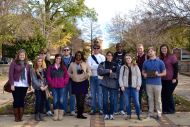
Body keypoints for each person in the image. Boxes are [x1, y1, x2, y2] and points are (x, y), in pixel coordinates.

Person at [142, 47, 166, 120]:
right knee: (150, 99)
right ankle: (151, 113)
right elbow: (143, 71)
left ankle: (159, 114)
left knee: (158, 99)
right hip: (148, 83)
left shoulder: (160, 62)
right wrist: (144, 75)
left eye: (151, 51)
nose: (150, 53)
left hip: (157, 84)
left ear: (155, 52)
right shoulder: (146, 62)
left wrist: (158, 74)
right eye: (149, 52)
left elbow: (164, 73)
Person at [9, 49, 31, 122]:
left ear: (25, 56)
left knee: (21, 100)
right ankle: (16, 117)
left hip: (24, 85)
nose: (22, 56)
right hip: (16, 84)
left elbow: (28, 75)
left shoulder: (27, 64)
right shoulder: (14, 63)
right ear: (18, 55)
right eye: (20, 55)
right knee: (16, 100)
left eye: (23, 55)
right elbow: (10, 74)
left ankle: (20, 116)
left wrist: (29, 85)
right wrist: (12, 84)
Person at [68, 51, 91, 119]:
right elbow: (68, 73)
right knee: (78, 99)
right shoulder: (72, 64)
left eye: (80, 55)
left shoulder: (85, 63)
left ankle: (80, 113)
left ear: (81, 56)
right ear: (75, 56)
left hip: (83, 82)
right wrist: (73, 76)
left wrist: (87, 75)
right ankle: (79, 114)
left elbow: (89, 71)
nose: (78, 56)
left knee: (82, 99)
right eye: (77, 55)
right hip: (75, 83)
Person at [47, 54, 69, 121]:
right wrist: (51, 83)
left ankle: (60, 114)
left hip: (62, 86)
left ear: (61, 60)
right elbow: (48, 76)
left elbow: (67, 76)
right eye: (57, 58)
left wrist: (64, 82)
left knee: (61, 100)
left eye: (59, 58)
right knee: (55, 100)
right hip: (54, 87)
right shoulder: (51, 67)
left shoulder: (63, 67)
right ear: (55, 59)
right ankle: (56, 115)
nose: (58, 60)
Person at [119, 54, 142, 120]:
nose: (128, 59)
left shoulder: (135, 66)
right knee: (127, 102)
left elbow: (139, 77)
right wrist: (122, 86)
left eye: (129, 58)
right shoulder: (123, 67)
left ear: (131, 59)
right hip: (126, 88)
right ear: (125, 60)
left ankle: (138, 115)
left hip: (134, 87)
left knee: (136, 102)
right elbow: (120, 77)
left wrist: (138, 85)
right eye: (126, 58)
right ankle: (129, 115)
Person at [98, 51, 119, 120]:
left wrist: (110, 74)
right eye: (108, 55)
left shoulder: (116, 65)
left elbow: (117, 75)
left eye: (111, 55)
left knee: (112, 100)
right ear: (106, 56)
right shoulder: (102, 63)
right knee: (105, 100)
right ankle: (106, 114)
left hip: (113, 85)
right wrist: (108, 71)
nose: (109, 56)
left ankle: (111, 114)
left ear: (112, 57)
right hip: (104, 84)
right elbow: (100, 71)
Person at [159, 44, 178, 114]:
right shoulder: (160, 58)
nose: (163, 50)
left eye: (165, 48)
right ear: (160, 50)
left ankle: (171, 110)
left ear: (167, 49)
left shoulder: (172, 56)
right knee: (163, 94)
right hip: (163, 79)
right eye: (162, 49)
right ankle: (165, 109)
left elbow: (176, 68)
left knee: (169, 94)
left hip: (171, 79)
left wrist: (174, 78)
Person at [87, 43, 105, 115]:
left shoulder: (102, 57)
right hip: (92, 77)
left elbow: (102, 67)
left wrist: (94, 66)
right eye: (94, 48)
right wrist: (98, 66)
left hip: (100, 77)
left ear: (99, 49)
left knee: (100, 93)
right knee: (93, 94)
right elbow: (89, 67)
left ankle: (100, 109)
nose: (96, 49)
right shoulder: (89, 57)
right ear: (93, 49)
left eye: (97, 48)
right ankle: (93, 109)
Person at [31, 56, 47, 121]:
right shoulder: (33, 70)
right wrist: (40, 87)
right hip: (38, 88)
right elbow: (34, 80)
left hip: (44, 88)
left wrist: (46, 86)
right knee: (38, 101)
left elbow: (46, 78)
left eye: (41, 61)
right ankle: (36, 114)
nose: (40, 62)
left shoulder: (44, 69)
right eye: (38, 61)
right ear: (36, 62)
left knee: (43, 101)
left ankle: (41, 114)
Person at [113, 43, 126, 115]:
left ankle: (121, 109)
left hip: (123, 77)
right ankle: (115, 109)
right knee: (115, 93)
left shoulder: (125, 55)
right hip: (116, 77)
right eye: (117, 47)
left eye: (120, 46)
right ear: (116, 48)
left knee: (123, 93)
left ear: (122, 47)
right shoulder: (114, 55)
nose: (119, 48)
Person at [62, 46, 76, 116]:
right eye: (64, 50)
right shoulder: (60, 59)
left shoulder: (73, 58)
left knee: (72, 95)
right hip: (63, 80)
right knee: (64, 95)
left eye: (67, 50)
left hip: (72, 79)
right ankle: (64, 110)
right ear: (63, 51)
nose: (66, 51)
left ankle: (72, 110)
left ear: (70, 51)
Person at [39, 49, 53, 116]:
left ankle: (48, 110)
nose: (42, 55)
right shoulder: (37, 62)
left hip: (47, 82)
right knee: (40, 97)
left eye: (44, 54)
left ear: (45, 55)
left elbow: (50, 73)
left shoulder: (48, 62)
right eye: (41, 54)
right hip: (39, 83)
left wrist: (48, 83)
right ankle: (41, 111)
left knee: (47, 96)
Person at [136, 44, 148, 111]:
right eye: (138, 48)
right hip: (138, 78)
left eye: (140, 48)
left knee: (147, 94)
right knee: (138, 94)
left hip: (145, 78)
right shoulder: (136, 57)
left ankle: (150, 109)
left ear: (143, 49)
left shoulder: (146, 56)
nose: (139, 50)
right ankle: (139, 108)